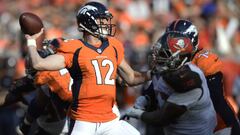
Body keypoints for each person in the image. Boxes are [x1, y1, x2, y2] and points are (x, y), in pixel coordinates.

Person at [25, 1, 151, 135]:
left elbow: (131, 78)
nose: (106, 23)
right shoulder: (74, 49)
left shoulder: (113, 46)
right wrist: (31, 41)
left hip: (111, 120)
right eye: (101, 19)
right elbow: (38, 64)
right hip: (84, 121)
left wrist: (152, 74)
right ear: (87, 22)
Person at [124, 31, 217, 135]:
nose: (157, 57)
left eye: (163, 54)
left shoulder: (190, 81)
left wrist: (136, 114)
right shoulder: (166, 70)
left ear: (179, 57)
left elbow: (161, 118)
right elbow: (156, 88)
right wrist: (146, 98)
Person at [165, 19, 240, 135]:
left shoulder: (203, 61)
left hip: (217, 126)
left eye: (176, 40)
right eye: (169, 40)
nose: (171, 45)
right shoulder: (167, 65)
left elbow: (216, 100)